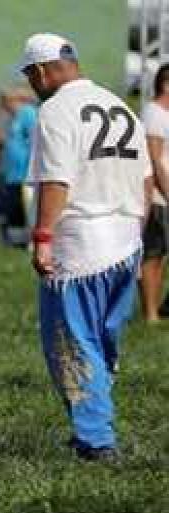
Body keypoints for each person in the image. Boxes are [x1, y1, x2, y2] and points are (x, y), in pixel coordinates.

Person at [21, 34, 150, 462]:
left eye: (29, 74)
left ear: (42, 70)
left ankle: (96, 439)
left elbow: (56, 180)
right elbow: (146, 181)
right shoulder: (119, 106)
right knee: (103, 340)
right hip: (126, 236)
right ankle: (96, 422)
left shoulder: (55, 110)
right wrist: (138, 236)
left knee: (73, 343)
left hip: (80, 242)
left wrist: (42, 238)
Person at [139, 63, 169, 323]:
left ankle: (158, 309)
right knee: (153, 254)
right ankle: (150, 313)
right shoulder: (154, 113)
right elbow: (155, 158)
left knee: (161, 256)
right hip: (160, 197)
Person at [0, 88, 38, 248]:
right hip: (13, 173)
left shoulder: (28, 114)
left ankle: (26, 242)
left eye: (7, 101)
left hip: (24, 172)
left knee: (25, 209)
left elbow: (35, 140)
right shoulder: (13, 118)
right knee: (14, 209)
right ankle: (16, 242)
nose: (5, 105)